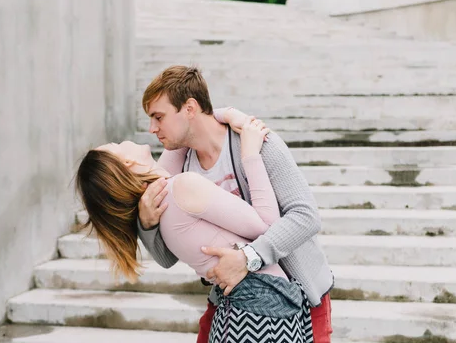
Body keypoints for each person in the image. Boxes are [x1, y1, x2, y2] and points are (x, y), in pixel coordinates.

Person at [137, 66, 334, 343]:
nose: (152, 128)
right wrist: (147, 224)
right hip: (232, 303)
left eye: (159, 117)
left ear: (190, 108)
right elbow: (167, 257)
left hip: (299, 296)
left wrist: (249, 257)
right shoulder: (179, 164)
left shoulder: (256, 141)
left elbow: (305, 216)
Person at [75, 118, 314, 343]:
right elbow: (267, 225)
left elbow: (189, 122)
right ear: (126, 163)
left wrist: (226, 114)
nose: (151, 127)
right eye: (116, 145)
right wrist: (250, 155)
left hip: (248, 313)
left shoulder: (161, 204)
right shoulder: (181, 187)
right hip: (258, 312)